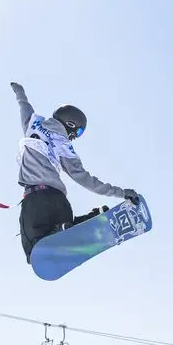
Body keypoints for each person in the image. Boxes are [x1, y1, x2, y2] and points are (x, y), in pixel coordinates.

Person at [10, 82, 139, 263]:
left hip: (36, 200)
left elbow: (24, 107)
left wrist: (19, 93)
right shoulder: (65, 147)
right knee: (61, 233)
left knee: (35, 253)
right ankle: (87, 220)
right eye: (78, 131)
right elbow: (86, 179)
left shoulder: (33, 125)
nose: (75, 136)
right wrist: (121, 192)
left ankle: (64, 229)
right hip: (60, 201)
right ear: (70, 124)